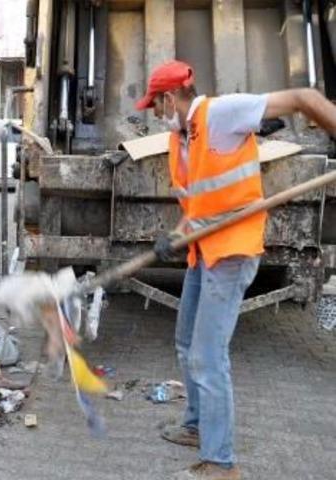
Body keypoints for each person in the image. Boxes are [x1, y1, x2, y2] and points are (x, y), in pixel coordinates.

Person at [138, 60, 336, 480]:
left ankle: (221, 464)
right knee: (186, 341)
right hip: (203, 250)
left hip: (232, 253)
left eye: (155, 106)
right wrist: (173, 237)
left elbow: (303, 99)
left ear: (170, 98)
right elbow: (199, 205)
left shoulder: (222, 114)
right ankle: (195, 426)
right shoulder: (181, 140)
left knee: (208, 357)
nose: (155, 114)